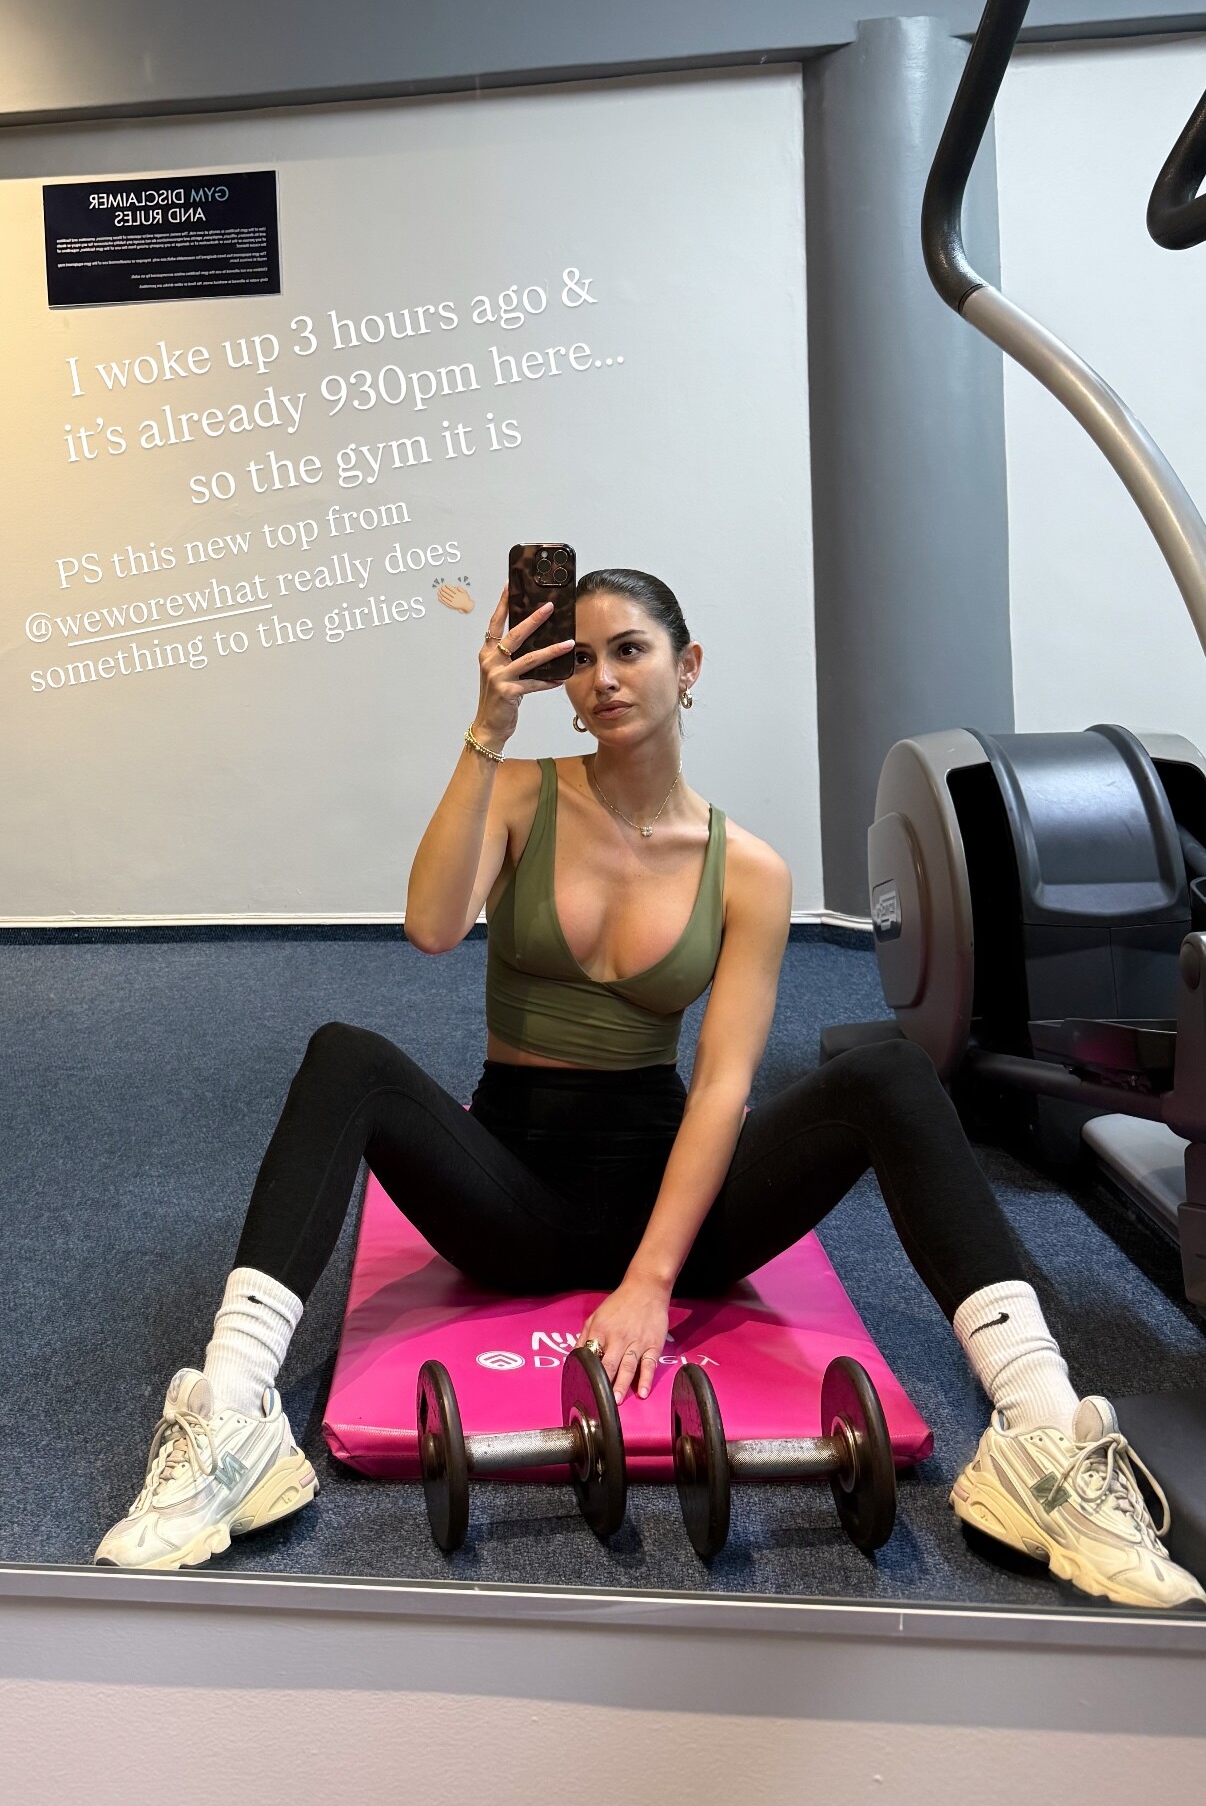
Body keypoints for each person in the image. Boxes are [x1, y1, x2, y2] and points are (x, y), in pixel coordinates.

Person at [96, 567, 1202, 1608]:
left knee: (892, 1075)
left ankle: (1041, 1435)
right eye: (579, 659)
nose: (603, 678)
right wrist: (487, 728)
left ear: (688, 665)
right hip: (509, 1201)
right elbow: (430, 926)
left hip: (678, 1206)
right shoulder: (519, 794)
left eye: (629, 650)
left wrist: (650, 1280)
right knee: (347, 1056)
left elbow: (722, 1086)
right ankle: (231, 1419)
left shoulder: (749, 869)